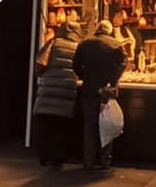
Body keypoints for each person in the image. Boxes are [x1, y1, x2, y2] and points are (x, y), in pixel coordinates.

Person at [73, 20, 127, 171]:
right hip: (107, 92)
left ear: (97, 29)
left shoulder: (84, 43)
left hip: (89, 89)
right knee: (107, 126)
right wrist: (113, 79)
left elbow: (75, 65)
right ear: (109, 31)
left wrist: (85, 77)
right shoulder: (116, 44)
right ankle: (105, 160)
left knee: (89, 127)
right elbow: (124, 62)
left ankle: (88, 160)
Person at [33, 21, 85, 168]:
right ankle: (58, 158)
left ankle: (43, 156)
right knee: (61, 128)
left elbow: (40, 64)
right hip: (66, 91)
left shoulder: (52, 43)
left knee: (45, 126)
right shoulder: (78, 47)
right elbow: (81, 69)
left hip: (48, 90)